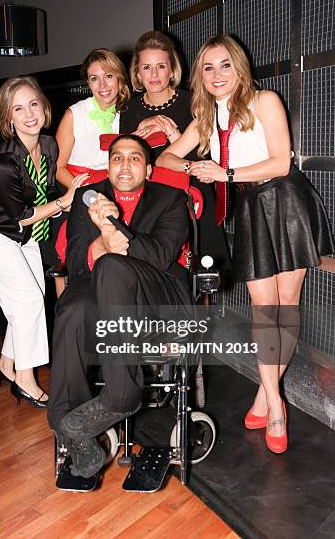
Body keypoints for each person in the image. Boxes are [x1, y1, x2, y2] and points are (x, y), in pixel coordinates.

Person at [157, 34, 334, 453]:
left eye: (225, 65)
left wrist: (224, 173)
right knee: (262, 311)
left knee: (283, 310)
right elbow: (165, 160)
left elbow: (280, 160)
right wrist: (199, 167)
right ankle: (273, 397)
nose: (217, 74)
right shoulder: (204, 117)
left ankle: (269, 402)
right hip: (253, 207)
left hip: (287, 201)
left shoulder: (264, 100)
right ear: (200, 75)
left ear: (239, 67)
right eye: (208, 67)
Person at [48, 134, 193, 477]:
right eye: (117, 158)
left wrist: (115, 227)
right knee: (73, 308)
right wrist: (100, 239)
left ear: (148, 168)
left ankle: (121, 394)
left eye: (134, 158)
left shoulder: (170, 199)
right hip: (105, 296)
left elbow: (160, 256)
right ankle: (72, 430)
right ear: (108, 166)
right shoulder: (89, 202)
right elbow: (77, 261)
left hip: (159, 299)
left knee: (112, 267)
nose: (125, 165)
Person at [0, 76, 88, 408]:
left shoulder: (49, 146)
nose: (29, 114)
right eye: (18, 108)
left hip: (27, 236)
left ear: (44, 106)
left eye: (33, 104)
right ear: (8, 117)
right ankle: (25, 379)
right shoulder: (4, 160)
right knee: (29, 302)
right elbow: (19, 215)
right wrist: (66, 200)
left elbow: (40, 196)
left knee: (29, 302)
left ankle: (7, 364)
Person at [120, 30, 230, 271]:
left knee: (202, 276)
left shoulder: (194, 102)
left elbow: (205, 157)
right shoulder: (128, 110)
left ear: (172, 69)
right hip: (149, 204)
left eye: (161, 66)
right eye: (146, 68)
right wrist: (141, 129)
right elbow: (128, 163)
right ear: (137, 72)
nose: (154, 74)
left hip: (194, 196)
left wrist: (172, 135)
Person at [49, 48, 130, 296]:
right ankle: (67, 309)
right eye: (94, 78)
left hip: (118, 189)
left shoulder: (130, 112)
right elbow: (57, 167)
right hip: (77, 188)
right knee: (69, 250)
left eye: (108, 76)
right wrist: (83, 194)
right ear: (88, 82)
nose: (102, 84)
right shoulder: (74, 113)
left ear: (120, 78)